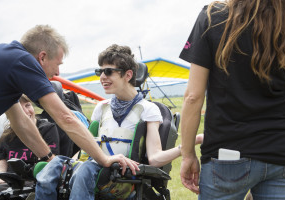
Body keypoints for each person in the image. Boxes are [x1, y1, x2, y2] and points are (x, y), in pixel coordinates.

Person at [35, 44, 191, 200]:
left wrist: (187, 146)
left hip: (122, 178)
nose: (103, 77)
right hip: (93, 167)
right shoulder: (101, 108)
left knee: (86, 169)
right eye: (100, 72)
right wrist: (69, 163)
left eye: (108, 72)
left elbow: (155, 158)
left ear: (128, 75)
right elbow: (88, 145)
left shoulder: (148, 110)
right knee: (52, 166)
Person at [179, 0, 285, 199]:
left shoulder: (212, 16)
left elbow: (193, 97)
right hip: (284, 151)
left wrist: (188, 155)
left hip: (227, 153)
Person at [0, 25, 138, 174]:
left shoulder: (7, 58)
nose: (57, 72)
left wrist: (49, 158)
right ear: (42, 57)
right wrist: (104, 159)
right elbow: (65, 118)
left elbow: (21, 123)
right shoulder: (23, 61)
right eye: (58, 64)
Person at [0, 95, 59, 193]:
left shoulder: (47, 129)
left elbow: (47, 165)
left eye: (28, 105)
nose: (26, 111)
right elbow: (1, 164)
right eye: (19, 109)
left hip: (33, 181)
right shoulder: (8, 134)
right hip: (7, 182)